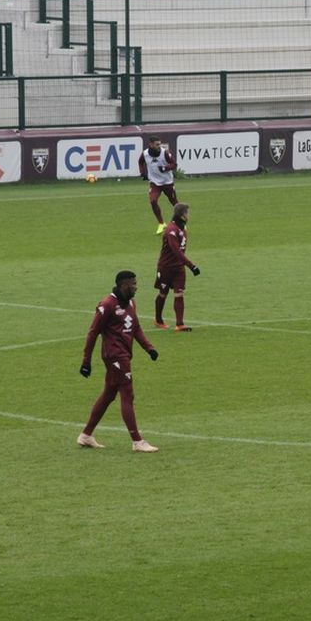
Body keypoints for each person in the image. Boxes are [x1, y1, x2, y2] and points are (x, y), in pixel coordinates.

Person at [77, 270, 160, 453]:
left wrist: (149, 348)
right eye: (133, 284)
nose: (136, 287)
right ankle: (137, 441)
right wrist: (86, 361)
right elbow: (93, 333)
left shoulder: (130, 303)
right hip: (114, 356)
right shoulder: (107, 305)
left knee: (109, 394)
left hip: (123, 355)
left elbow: (135, 327)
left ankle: (86, 435)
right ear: (123, 285)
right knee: (127, 394)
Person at [154, 202, 201, 332]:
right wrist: (192, 266)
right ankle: (158, 320)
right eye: (187, 213)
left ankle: (180, 324)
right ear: (182, 215)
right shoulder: (171, 231)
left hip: (179, 267)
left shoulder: (183, 228)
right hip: (166, 267)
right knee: (163, 293)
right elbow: (177, 251)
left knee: (179, 294)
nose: (189, 215)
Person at [138, 135, 178, 235]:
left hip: (167, 182)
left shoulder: (165, 153)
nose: (159, 146)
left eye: (159, 144)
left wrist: (165, 168)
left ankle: (180, 222)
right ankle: (161, 223)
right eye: (156, 145)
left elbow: (174, 164)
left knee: (174, 203)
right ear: (150, 144)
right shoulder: (145, 154)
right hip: (154, 182)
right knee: (153, 201)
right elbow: (140, 162)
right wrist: (142, 173)